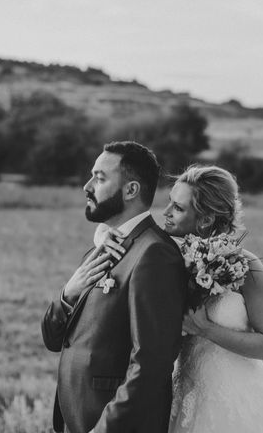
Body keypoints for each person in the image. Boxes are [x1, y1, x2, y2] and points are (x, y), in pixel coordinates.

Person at [41, 141, 187, 433]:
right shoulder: (104, 245)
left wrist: (105, 429)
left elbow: (150, 365)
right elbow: (54, 339)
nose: (86, 186)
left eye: (100, 178)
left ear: (131, 190)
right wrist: (68, 293)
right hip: (77, 419)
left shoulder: (155, 254)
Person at [161, 165, 263, 433]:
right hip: (183, 388)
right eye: (169, 203)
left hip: (234, 395)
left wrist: (205, 328)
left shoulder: (245, 267)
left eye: (178, 207)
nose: (166, 212)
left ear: (206, 219)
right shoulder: (172, 259)